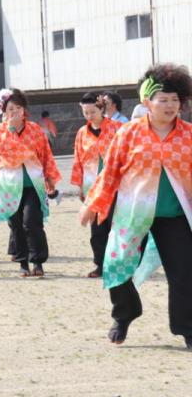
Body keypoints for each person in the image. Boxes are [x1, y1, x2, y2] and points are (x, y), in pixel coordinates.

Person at [80, 64, 192, 349]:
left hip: (175, 215)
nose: (170, 105)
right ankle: (125, 313)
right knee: (116, 264)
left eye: (175, 99)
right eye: (163, 99)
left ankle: (187, 328)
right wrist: (93, 203)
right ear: (147, 102)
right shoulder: (128, 133)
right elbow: (110, 172)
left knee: (184, 272)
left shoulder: (189, 135)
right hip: (133, 212)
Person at [0, 88, 61, 278]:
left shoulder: (35, 129)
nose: (15, 112)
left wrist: (50, 178)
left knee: (32, 222)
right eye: (10, 109)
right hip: (9, 184)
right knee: (16, 224)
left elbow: (46, 154)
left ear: (24, 109)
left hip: (33, 183)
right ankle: (23, 262)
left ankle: (38, 261)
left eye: (18, 108)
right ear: (4, 112)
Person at [71, 93, 121, 278]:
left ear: (101, 109)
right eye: (85, 112)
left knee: (116, 225)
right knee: (97, 229)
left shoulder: (118, 128)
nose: (89, 116)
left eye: (92, 111)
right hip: (92, 186)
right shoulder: (82, 133)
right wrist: (79, 185)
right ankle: (100, 264)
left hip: (116, 185)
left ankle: (119, 264)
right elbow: (78, 159)